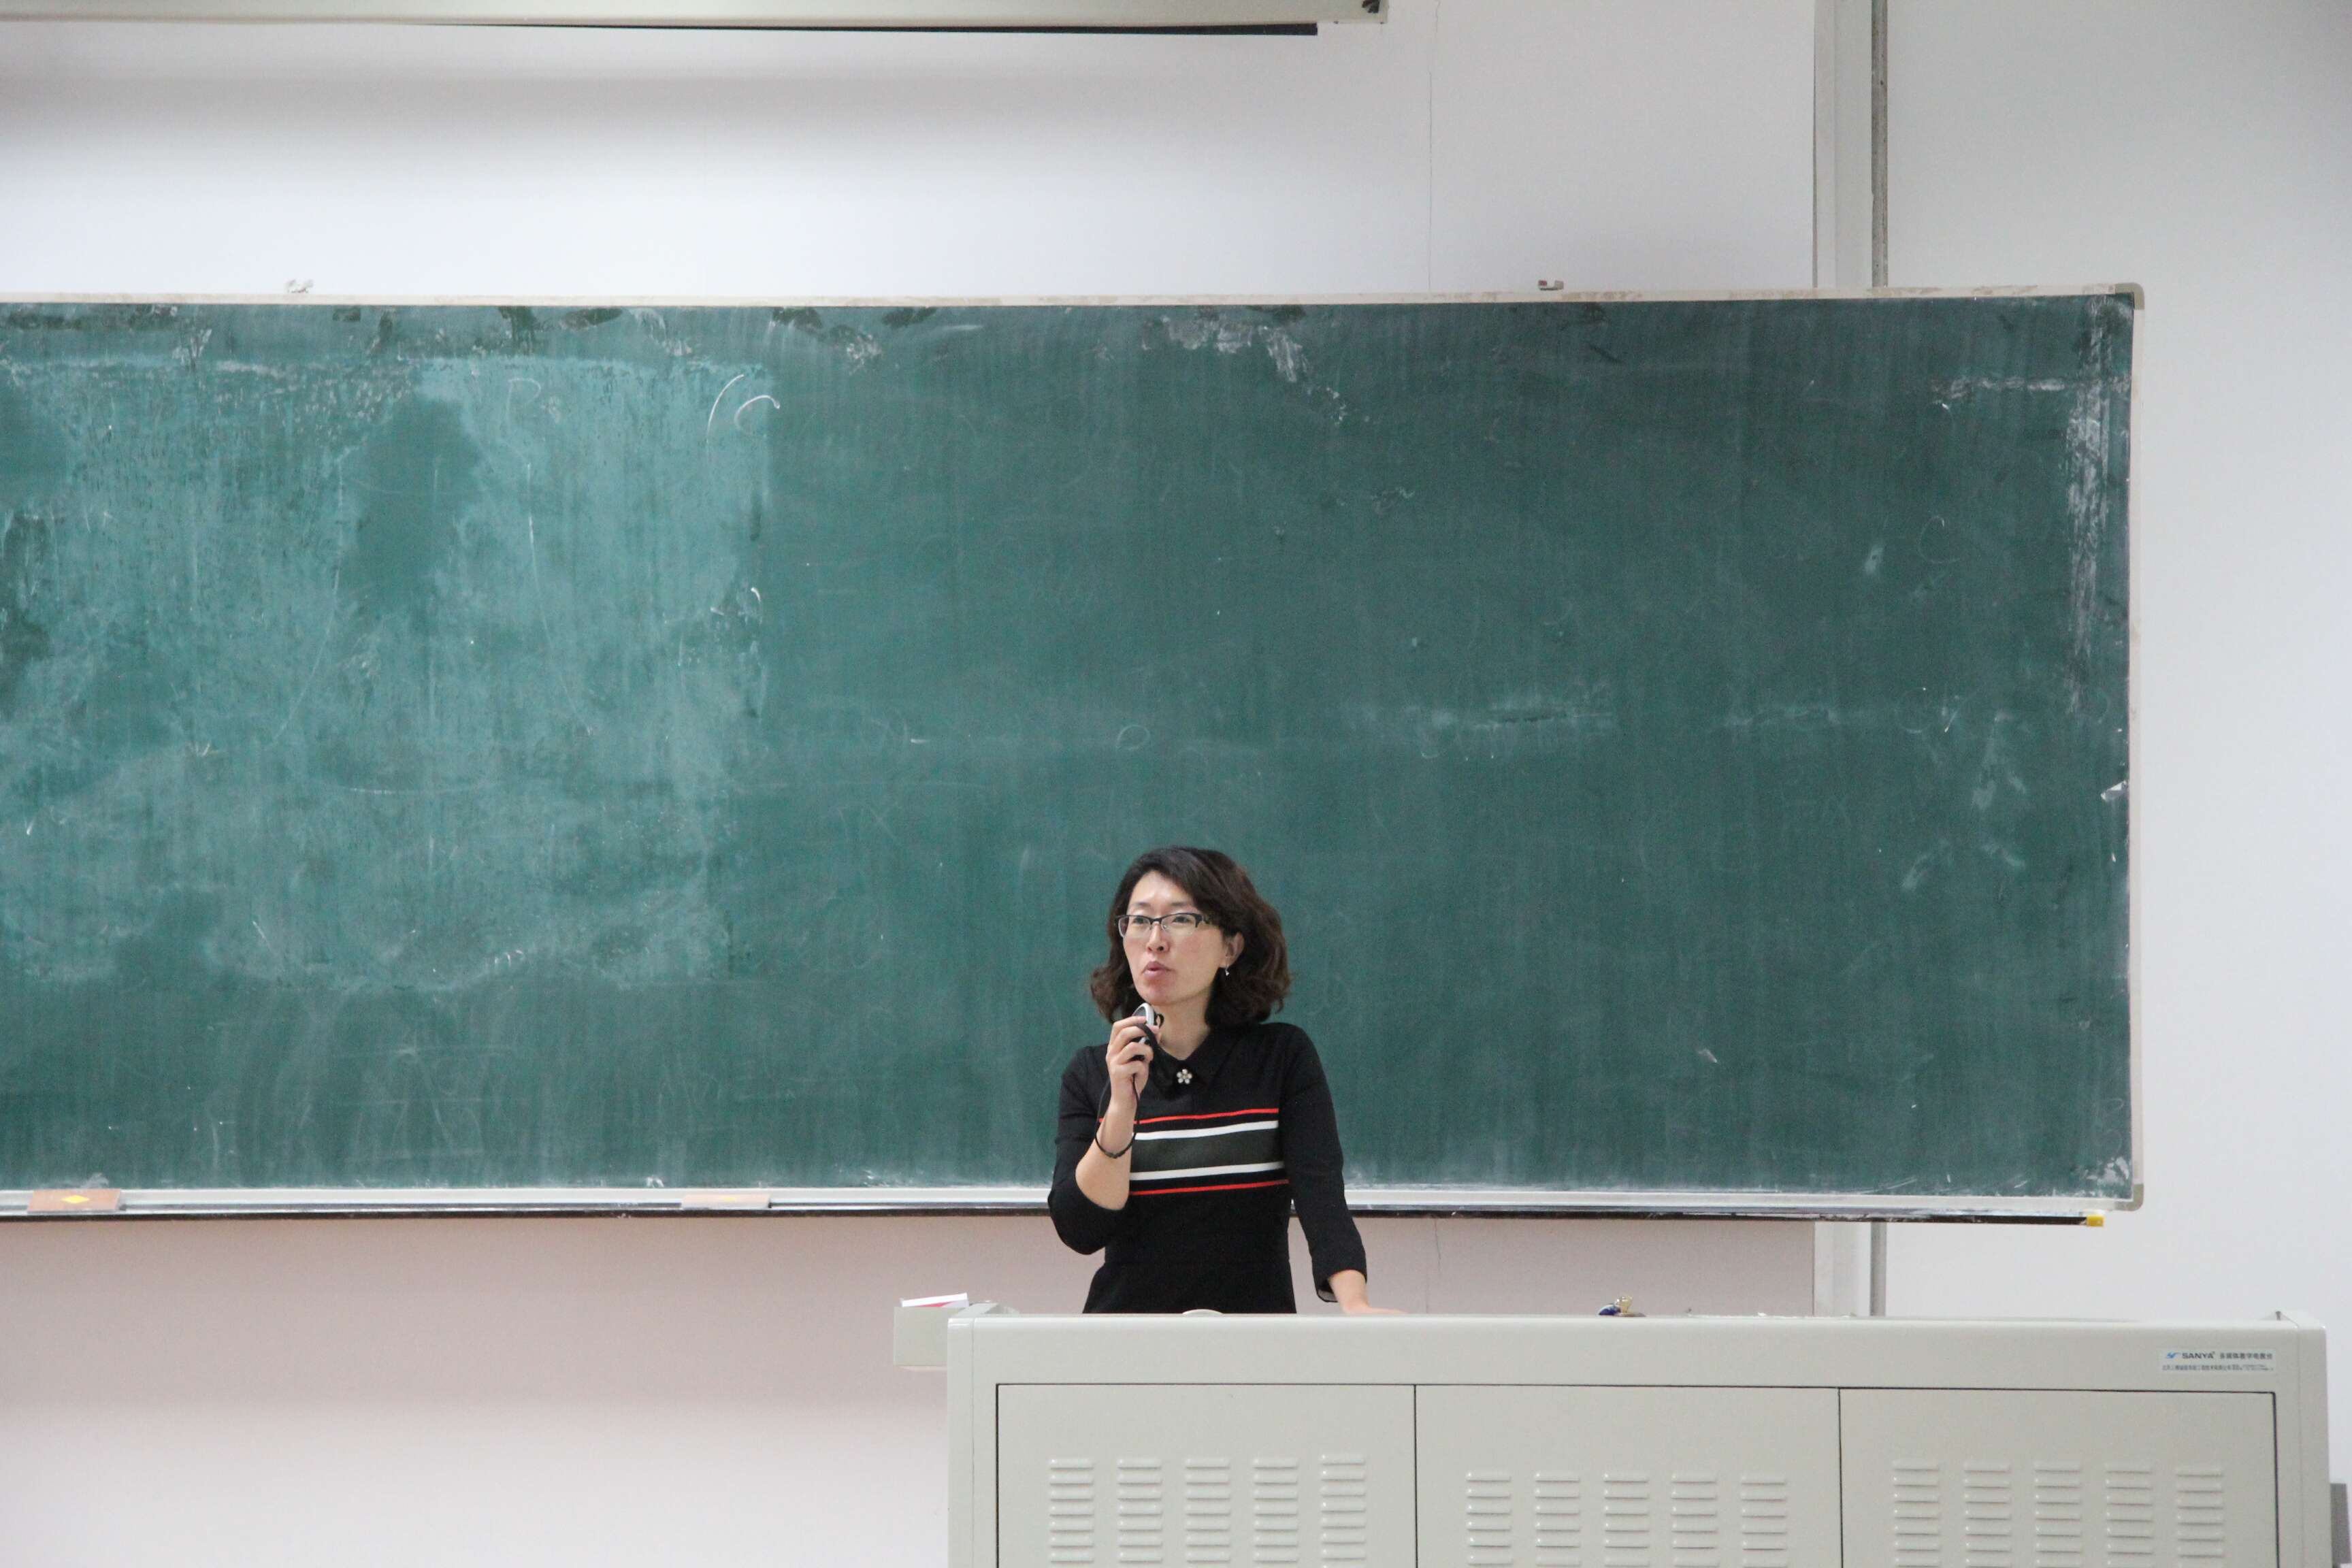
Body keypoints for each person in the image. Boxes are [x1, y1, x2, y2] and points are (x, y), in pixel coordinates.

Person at [1049, 846, 1389, 1314]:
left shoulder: (1281, 1059)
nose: (1155, 941)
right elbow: (1080, 1230)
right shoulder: (1093, 1072)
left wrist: (1356, 1305)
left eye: (1180, 920)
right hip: (1127, 1341)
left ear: (1231, 946)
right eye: (1140, 921)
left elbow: (1322, 1199)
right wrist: (1121, 1109)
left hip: (1253, 1340)